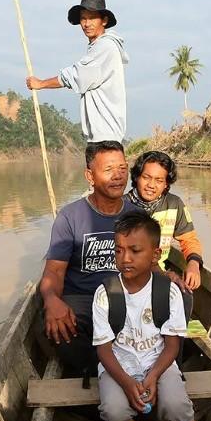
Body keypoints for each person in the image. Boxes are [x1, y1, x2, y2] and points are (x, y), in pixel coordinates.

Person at [92, 211, 201, 421]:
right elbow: (104, 349)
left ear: (155, 255)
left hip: (158, 362)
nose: (125, 258)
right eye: (119, 250)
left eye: (135, 250)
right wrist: (127, 383)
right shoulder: (105, 294)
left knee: (177, 406)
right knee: (114, 412)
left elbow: (172, 346)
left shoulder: (168, 292)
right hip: (119, 366)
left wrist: (152, 376)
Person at [40, 140, 139, 374]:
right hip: (82, 299)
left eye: (122, 169)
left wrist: (167, 279)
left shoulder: (137, 216)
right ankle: (102, 372)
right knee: (55, 327)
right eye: (108, 170)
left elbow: (148, 267)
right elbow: (54, 271)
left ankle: (125, 368)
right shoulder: (70, 217)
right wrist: (52, 300)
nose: (118, 176)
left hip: (124, 295)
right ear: (90, 176)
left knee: (173, 304)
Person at [26, 0, 129, 144]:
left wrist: (41, 84)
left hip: (105, 137)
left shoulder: (105, 46)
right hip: (102, 137)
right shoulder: (99, 47)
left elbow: (77, 75)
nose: (87, 24)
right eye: (83, 18)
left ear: (104, 21)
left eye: (92, 18)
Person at [126, 151, 204, 291]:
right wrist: (163, 275)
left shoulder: (174, 204)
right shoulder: (122, 206)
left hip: (159, 274)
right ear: (137, 177)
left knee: (185, 295)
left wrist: (194, 264)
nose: (151, 185)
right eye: (146, 177)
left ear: (166, 184)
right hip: (128, 276)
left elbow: (189, 239)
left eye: (159, 180)